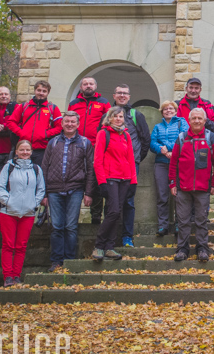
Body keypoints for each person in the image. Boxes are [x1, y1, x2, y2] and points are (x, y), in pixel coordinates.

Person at [40, 111, 95, 272]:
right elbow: (44, 167)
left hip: (75, 189)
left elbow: (91, 170)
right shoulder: (53, 142)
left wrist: (89, 192)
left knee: (71, 226)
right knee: (57, 226)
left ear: (78, 124)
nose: (69, 124)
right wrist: (43, 193)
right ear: (62, 123)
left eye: (72, 122)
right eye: (67, 121)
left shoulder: (85, 143)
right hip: (54, 190)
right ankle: (56, 261)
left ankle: (70, 260)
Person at [168, 108, 214, 263]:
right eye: (194, 118)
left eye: (200, 118)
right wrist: (172, 183)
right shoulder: (182, 138)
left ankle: (202, 248)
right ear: (189, 121)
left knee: (201, 220)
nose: (197, 121)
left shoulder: (211, 137)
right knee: (182, 221)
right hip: (183, 188)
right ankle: (182, 249)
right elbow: (173, 163)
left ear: (205, 121)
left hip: (203, 188)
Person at [0, 139, 45, 286]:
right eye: (22, 150)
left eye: (27, 150)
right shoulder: (8, 167)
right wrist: (8, 201)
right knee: (8, 245)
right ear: (16, 152)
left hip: (27, 213)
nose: (25, 152)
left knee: (21, 245)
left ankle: (17, 275)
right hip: (8, 212)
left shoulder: (36, 169)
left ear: (31, 152)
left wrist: (33, 203)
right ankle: (7, 276)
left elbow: (41, 189)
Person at [91, 107, 137, 261]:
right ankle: (99, 246)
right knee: (113, 212)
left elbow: (130, 158)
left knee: (118, 212)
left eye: (121, 116)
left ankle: (110, 247)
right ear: (109, 118)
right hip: (110, 178)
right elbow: (97, 160)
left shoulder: (126, 135)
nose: (118, 119)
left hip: (125, 179)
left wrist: (133, 181)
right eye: (115, 116)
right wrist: (101, 182)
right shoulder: (103, 133)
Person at [110, 84, 151, 248]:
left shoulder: (136, 115)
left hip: (130, 165)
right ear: (114, 95)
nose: (122, 96)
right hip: (111, 166)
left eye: (125, 93)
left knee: (128, 201)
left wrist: (136, 158)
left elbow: (145, 140)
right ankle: (110, 238)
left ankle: (127, 236)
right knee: (112, 202)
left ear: (129, 96)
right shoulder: (107, 115)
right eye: (119, 93)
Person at [149, 100, 188, 236]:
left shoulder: (181, 122)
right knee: (162, 195)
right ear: (162, 111)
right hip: (161, 163)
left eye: (171, 109)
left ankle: (179, 223)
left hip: (178, 163)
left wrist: (170, 148)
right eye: (165, 109)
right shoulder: (157, 127)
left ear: (175, 111)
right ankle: (163, 225)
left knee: (179, 195)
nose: (168, 111)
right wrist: (162, 150)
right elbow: (152, 142)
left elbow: (183, 138)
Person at [6, 80, 62, 166]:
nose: (41, 93)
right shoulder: (24, 106)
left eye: (44, 91)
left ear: (48, 93)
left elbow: (60, 127)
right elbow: (11, 122)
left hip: (42, 150)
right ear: (35, 90)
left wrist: (46, 134)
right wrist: (21, 133)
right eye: (39, 90)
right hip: (24, 148)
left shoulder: (53, 108)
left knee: (40, 175)